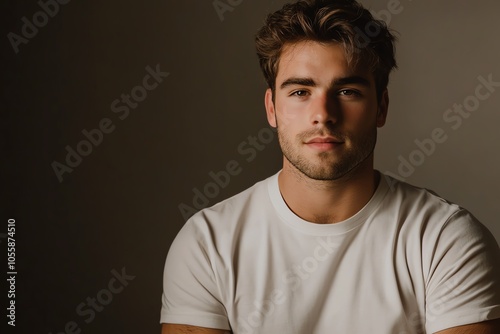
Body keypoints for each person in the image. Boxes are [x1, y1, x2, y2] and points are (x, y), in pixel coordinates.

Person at [160, 0, 500, 333]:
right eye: (300, 92)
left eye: (348, 90)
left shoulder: (446, 239)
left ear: (381, 108)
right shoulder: (208, 243)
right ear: (272, 108)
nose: (323, 113)